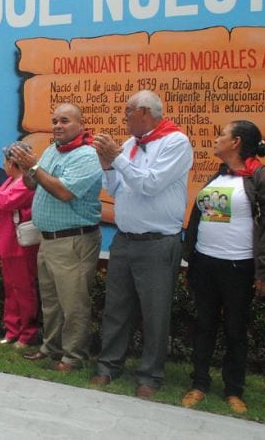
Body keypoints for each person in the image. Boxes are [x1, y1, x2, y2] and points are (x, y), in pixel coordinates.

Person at [91, 90, 193, 399]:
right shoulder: (130, 145)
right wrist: (108, 165)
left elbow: (149, 185)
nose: (124, 119)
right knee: (116, 308)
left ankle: (150, 375)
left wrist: (118, 159)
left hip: (158, 242)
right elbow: (116, 188)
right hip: (125, 238)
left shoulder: (176, 142)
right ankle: (108, 367)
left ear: (145, 112)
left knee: (155, 312)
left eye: (127, 113)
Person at [180, 121, 265, 414]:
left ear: (236, 142)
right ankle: (199, 383)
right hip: (205, 263)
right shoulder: (219, 176)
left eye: (221, 136)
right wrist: (191, 256)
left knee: (236, 329)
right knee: (203, 325)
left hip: (239, 266)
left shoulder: (263, 178)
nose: (215, 140)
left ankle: (234, 390)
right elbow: (201, 216)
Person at [11, 104, 102, 371]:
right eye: (54, 121)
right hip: (48, 239)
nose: (58, 125)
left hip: (73, 241)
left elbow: (63, 192)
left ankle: (73, 357)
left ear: (81, 124)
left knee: (73, 303)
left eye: (65, 120)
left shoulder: (87, 155)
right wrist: (27, 166)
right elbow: (32, 183)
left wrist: (34, 167)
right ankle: (50, 348)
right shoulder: (52, 150)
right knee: (51, 301)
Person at [0, 141, 39, 349]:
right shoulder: (10, 181)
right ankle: (12, 330)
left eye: (6, 160)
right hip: (6, 242)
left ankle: (27, 334)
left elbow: (5, 202)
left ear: (13, 162)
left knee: (24, 290)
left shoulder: (27, 182)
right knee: (11, 290)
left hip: (20, 246)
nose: (3, 164)